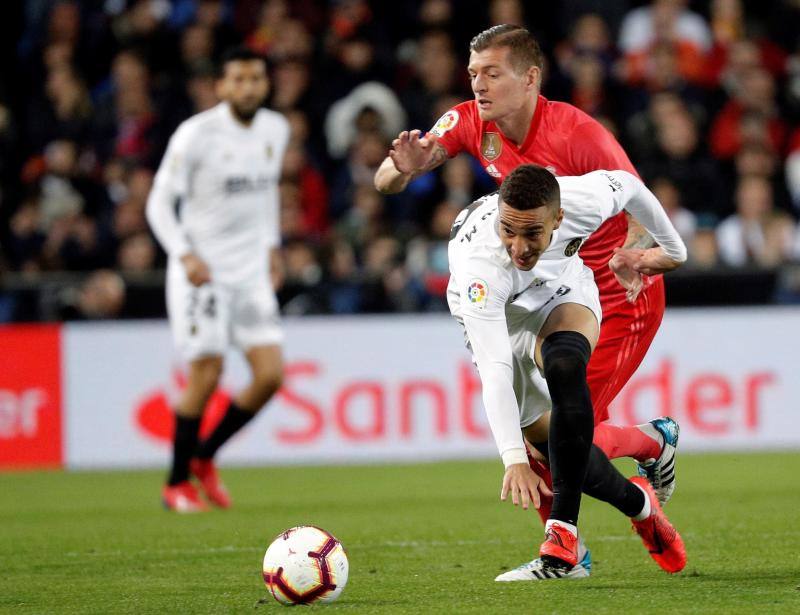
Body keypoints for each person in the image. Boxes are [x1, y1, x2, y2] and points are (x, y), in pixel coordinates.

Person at [374, 24, 678, 532]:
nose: (478, 86)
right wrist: (402, 170)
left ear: (531, 77)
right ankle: (580, 529)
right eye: (473, 73)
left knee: (565, 442)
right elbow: (387, 178)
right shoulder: (470, 122)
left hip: (619, 293)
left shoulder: (577, 134)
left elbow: (635, 198)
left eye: (492, 74)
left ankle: (651, 443)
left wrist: (635, 250)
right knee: (542, 435)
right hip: (546, 288)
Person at [447, 164, 687, 580]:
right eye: (508, 230)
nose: (518, 247)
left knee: (565, 366)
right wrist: (513, 458)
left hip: (562, 294)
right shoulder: (480, 270)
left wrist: (673, 251)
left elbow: (631, 186)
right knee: (551, 452)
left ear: (558, 219)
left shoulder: (580, 200)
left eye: (532, 233)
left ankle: (561, 546)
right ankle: (641, 496)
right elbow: (496, 370)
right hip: (500, 319)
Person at [146, 47, 289, 512]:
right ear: (222, 87)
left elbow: (266, 194)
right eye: (239, 79)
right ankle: (175, 484)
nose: (248, 87)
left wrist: (271, 247)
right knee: (206, 374)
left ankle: (204, 457)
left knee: (270, 375)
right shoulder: (196, 134)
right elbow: (157, 204)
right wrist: (183, 254)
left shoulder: (275, 129)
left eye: (256, 79)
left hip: (250, 272)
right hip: (202, 273)